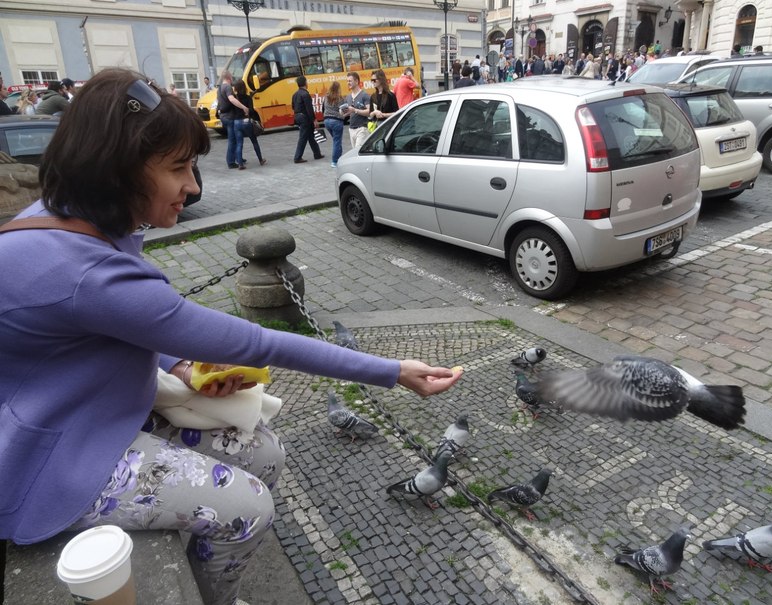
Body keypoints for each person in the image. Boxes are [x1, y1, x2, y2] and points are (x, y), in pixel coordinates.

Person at [0, 67, 462, 605]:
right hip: (55, 458)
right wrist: (392, 371)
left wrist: (175, 363)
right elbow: (253, 342)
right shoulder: (87, 271)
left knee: (264, 452)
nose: (193, 186)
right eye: (178, 167)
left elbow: (120, 321)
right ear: (117, 170)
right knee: (249, 506)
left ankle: (204, 572)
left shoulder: (70, 221)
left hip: (95, 412)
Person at [217, 70, 250, 169]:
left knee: (234, 139)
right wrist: (243, 107)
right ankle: (231, 162)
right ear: (229, 77)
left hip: (223, 116)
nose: (232, 79)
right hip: (229, 117)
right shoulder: (227, 87)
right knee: (233, 140)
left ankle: (238, 158)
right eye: (231, 77)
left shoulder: (219, 88)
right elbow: (231, 99)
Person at [233, 79, 266, 169]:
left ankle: (240, 164)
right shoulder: (248, 98)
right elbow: (251, 111)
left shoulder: (234, 99)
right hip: (246, 122)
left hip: (237, 122)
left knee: (239, 143)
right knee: (254, 141)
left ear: (235, 88)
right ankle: (260, 159)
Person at [291, 75, 323, 164]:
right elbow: (309, 109)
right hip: (305, 118)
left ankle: (317, 154)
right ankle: (297, 157)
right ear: (305, 83)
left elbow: (293, 106)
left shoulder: (295, 94)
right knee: (303, 137)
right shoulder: (305, 94)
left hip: (298, 116)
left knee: (310, 136)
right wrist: (314, 120)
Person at [344, 71, 372, 149]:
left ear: (356, 81)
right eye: (347, 81)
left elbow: (370, 112)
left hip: (362, 129)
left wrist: (355, 110)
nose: (348, 83)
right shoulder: (348, 97)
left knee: (358, 152)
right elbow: (346, 113)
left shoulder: (364, 95)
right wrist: (343, 112)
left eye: (350, 81)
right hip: (351, 129)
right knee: (355, 153)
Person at [322, 81, 344, 167]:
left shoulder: (326, 97)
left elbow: (323, 108)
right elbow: (342, 111)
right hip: (336, 121)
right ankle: (334, 161)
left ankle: (339, 157)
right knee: (337, 141)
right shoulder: (340, 98)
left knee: (336, 140)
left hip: (327, 121)